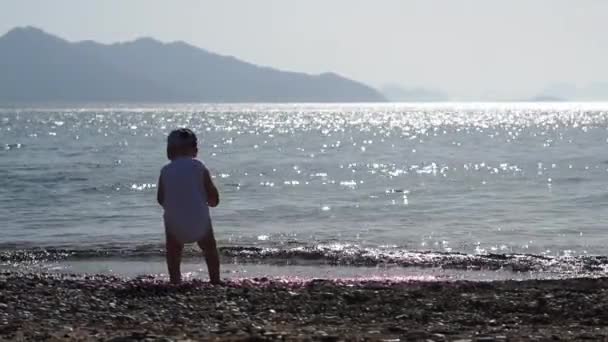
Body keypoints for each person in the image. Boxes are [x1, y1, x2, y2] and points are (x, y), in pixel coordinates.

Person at [156, 128, 221, 284]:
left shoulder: (165, 170)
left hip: (174, 224)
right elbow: (212, 195)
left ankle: (175, 280)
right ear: (195, 150)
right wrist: (212, 202)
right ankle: (215, 280)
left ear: (169, 151)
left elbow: (160, 199)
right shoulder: (199, 166)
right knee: (210, 249)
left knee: (173, 251)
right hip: (199, 221)